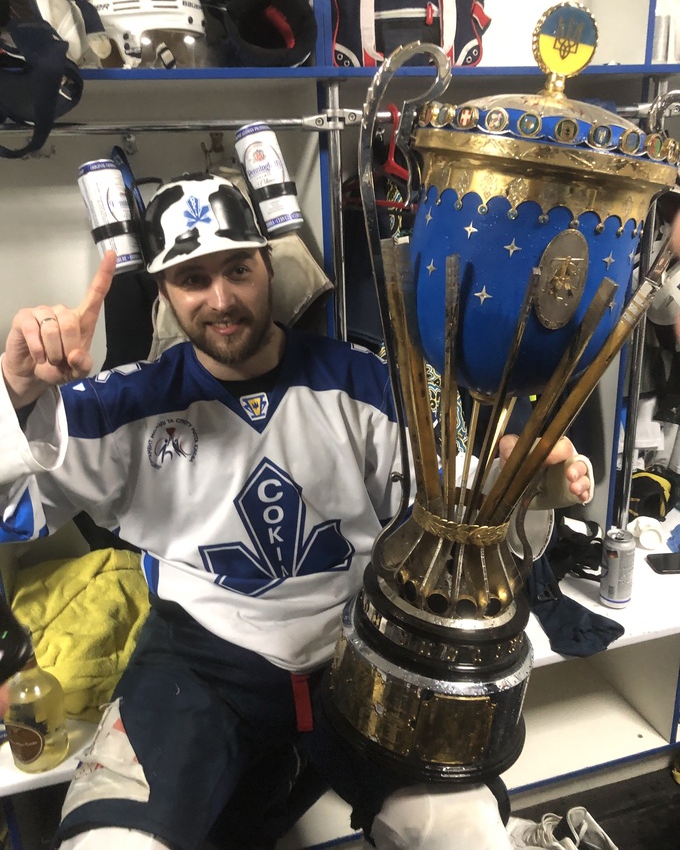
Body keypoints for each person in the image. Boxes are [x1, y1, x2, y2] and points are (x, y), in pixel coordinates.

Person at [0, 173, 591, 850]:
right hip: (198, 662)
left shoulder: (363, 381)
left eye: (237, 269)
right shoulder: (121, 404)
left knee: (466, 832)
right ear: (163, 292)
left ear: (268, 265)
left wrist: (519, 481)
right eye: (192, 278)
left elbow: (447, 511)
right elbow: (14, 508)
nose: (221, 299)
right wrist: (15, 393)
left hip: (357, 648)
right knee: (109, 845)